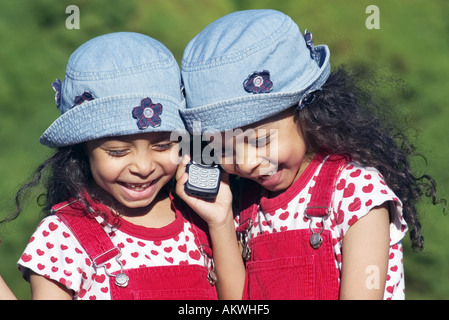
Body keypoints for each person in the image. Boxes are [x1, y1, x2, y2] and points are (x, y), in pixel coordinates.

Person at [177, 9, 445, 299]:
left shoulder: (354, 191)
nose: (246, 162)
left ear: (308, 110)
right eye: (224, 149)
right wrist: (220, 222)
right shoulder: (245, 201)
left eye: (260, 141)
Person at [6, 32, 242, 300]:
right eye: (118, 152)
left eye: (163, 146)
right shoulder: (62, 236)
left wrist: (221, 223)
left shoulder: (200, 216)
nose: (143, 167)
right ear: (83, 148)